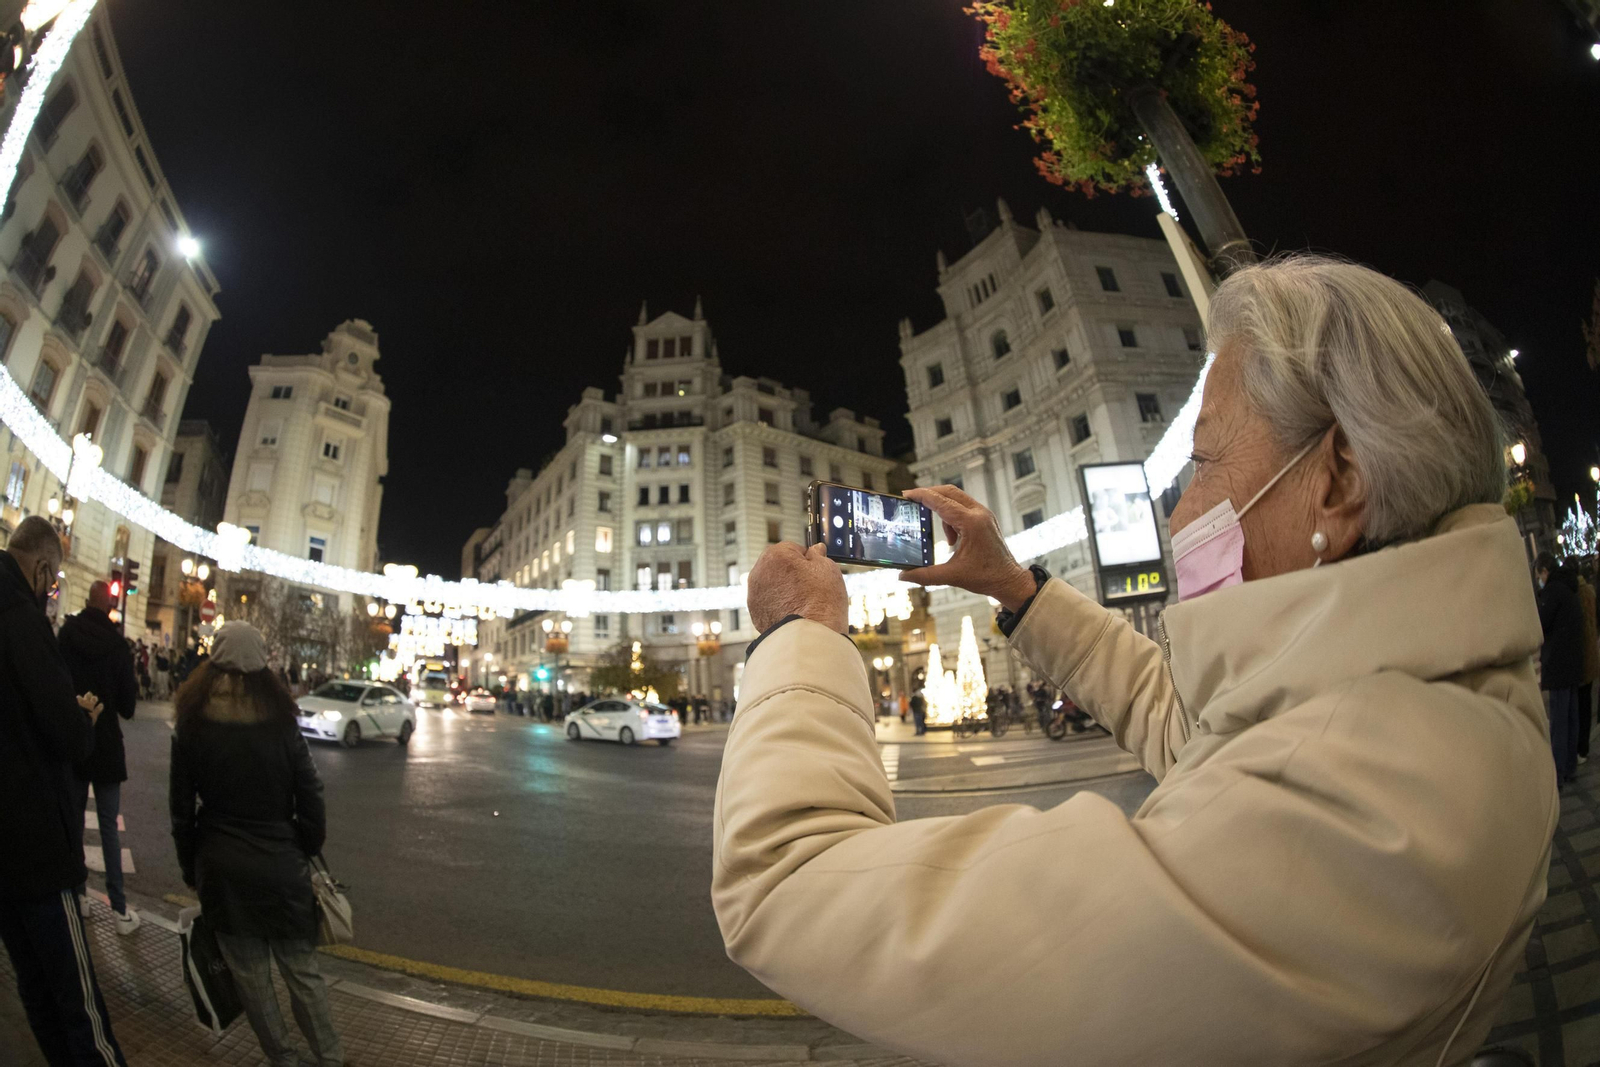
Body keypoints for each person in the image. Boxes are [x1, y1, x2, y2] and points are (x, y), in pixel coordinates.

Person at [712, 256, 1557, 1066]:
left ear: (1337, 480)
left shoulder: (1355, 815)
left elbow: (787, 884)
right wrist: (1014, 586)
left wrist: (802, 632)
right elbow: (1189, 727)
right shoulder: (1405, 689)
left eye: (1205, 461)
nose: (1181, 508)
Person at [169, 621, 343, 1067]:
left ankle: (283, 1058)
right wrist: (304, 845)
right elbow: (311, 793)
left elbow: (181, 810)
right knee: (302, 972)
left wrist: (191, 868)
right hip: (281, 863)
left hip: (222, 866)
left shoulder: (191, 723)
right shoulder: (281, 722)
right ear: (264, 664)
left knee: (251, 978)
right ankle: (329, 1057)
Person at [0, 516, 128, 1065]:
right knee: (79, 1005)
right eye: (52, 582)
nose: (51, 592)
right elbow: (66, 733)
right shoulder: (23, 623)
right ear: (41, 568)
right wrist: (84, 719)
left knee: (34, 985)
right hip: (36, 838)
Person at [61, 580, 141, 935]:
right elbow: (128, 706)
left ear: (85, 601)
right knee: (108, 825)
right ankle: (119, 909)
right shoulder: (118, 646)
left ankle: (79, 894)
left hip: (75, 737)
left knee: (74, 819)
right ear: (109, 605)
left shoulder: (67, 635)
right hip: (107, 743)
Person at [1536, 552, 1585, 784]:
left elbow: (1541, 623)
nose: (1539, 580)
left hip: (1558, 664)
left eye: (1539, 576)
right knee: (1571, 716)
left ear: (1545, 571)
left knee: (1559, 720)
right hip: (1573, 663)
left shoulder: (1552, 592)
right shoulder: (1569, 587)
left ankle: (1559, 771)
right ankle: (1570, 766)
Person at [1578, 567, 1599, 763]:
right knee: (1586, 702)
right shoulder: (1591, 592)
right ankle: (1582, 750)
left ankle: (1581, 749)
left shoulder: (1577, 595)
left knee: (1581, 704)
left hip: (1583, 658)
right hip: (1592, 654)